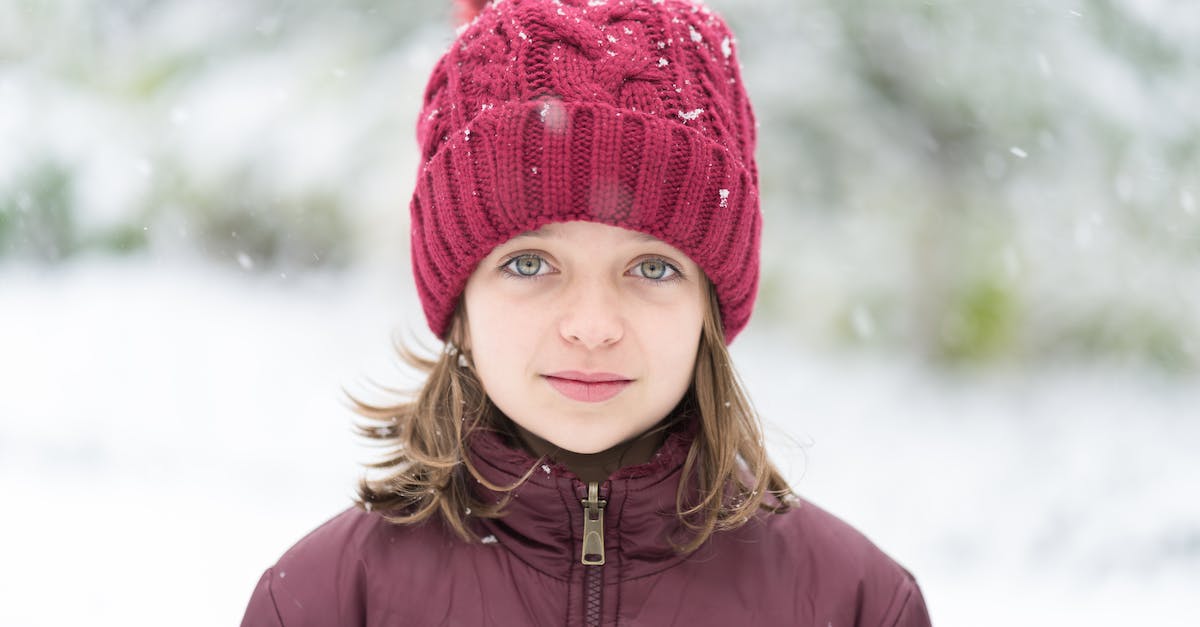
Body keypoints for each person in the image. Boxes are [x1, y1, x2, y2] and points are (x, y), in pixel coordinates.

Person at [241, 0, 932, 625]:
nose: (593, 324)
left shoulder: (855, 604)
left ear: (709, 307)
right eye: (530, 263)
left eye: (653, 267)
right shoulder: (329, 600)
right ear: (458, 300)